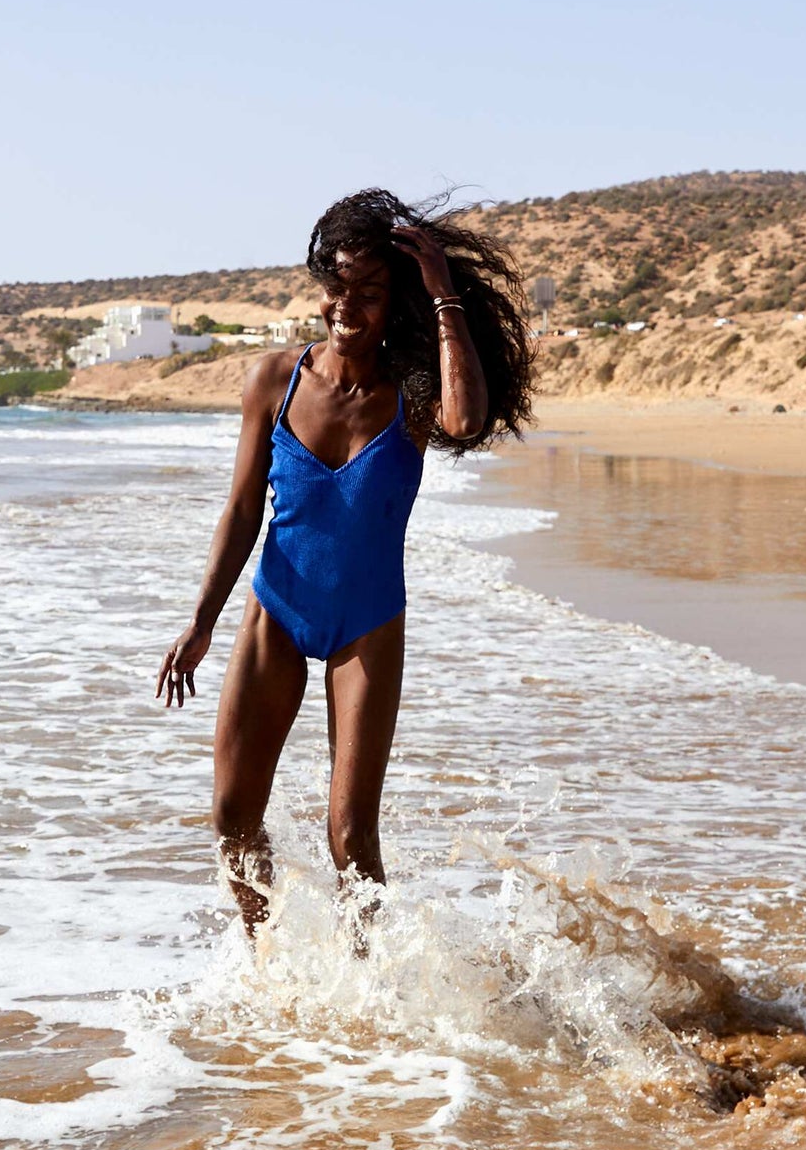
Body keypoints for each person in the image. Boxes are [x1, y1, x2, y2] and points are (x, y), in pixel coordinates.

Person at [157, 189, 533, 936]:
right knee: (233, 816)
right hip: (276, 608)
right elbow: (240, 511)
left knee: (350, 838)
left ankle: (369, 992)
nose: (345, 306)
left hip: (367, 625)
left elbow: (466, 420)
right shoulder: (275, 379)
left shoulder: (412, 392)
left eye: (367, 291)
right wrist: (200, 621)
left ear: (395, 301)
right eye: (335, 285)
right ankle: (268, 958)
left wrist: (444, 296)